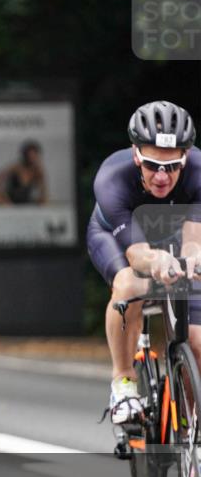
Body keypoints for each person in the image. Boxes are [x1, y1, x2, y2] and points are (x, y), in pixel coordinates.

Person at [86, 100, 200, 427]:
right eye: (152, 165)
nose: (162, 176)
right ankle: (122, 382)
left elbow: (194, 245)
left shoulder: (200, 173)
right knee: (129, 285)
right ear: (136, 154)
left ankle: (193, 431)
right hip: (118, 238)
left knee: (197, 341)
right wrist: (157, 261)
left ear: (186, 157)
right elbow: (137, 255)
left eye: (173, 165)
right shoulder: (113, 177)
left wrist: (189, 260)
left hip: (174, 238)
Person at [0, 140, 47, 205]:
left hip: (26, 202)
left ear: (37, 156)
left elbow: (43, 193)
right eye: (29, 156)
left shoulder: (38, 171)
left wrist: (41, 173)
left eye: (34, 156)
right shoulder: (16, 167)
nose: (31, 159)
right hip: (8, 202)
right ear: (25, 155)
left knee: (43, 201)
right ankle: (9, 207)